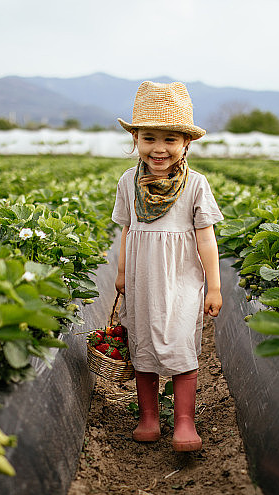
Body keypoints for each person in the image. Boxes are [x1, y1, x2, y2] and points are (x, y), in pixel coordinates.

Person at [112, 81, 223, 452]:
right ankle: (148, 417)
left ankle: (184, 422)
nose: (159, 148)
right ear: (136, 141)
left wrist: (215, 286)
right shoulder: (128, 182)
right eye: (149, 138)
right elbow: (128, 230)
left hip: (180, 280)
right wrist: (122, 272)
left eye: (170, 140)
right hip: (142, 278)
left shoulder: (195, 185)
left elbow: (206, 239)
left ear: (186, 144)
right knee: (141, 340)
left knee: (178, 343)